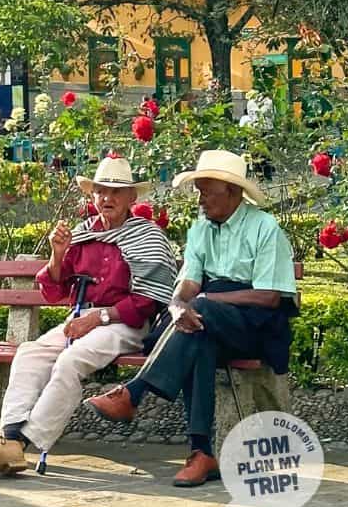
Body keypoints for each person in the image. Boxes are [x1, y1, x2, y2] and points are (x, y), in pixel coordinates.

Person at [86, 150, 297, 487]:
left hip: (255, 324)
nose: (200, 199)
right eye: (198, 190)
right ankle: (201, 453)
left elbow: (269, 296)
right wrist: (176, 307)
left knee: (203, 313)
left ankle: (134, 393)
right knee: (198, 336)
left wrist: (203, 300)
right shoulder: (200, 229)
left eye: (206, 191)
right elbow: (186, 286)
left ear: (232, 192)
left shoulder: (264, 228)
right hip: (209, 322)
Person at [0, 156, 176, 476]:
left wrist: (98, 318)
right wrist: (58, 254)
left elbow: (148, 302)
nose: (107, 198)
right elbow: (54, 291)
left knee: (69, 361)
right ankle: (7, 436)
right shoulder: (82, 234)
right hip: (83, 320)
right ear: (92, 196)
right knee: (29, 352)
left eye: (116, 192)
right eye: (101, 191)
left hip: (124, 324)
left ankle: (19, 443)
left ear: (132, 198)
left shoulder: (147, 236)